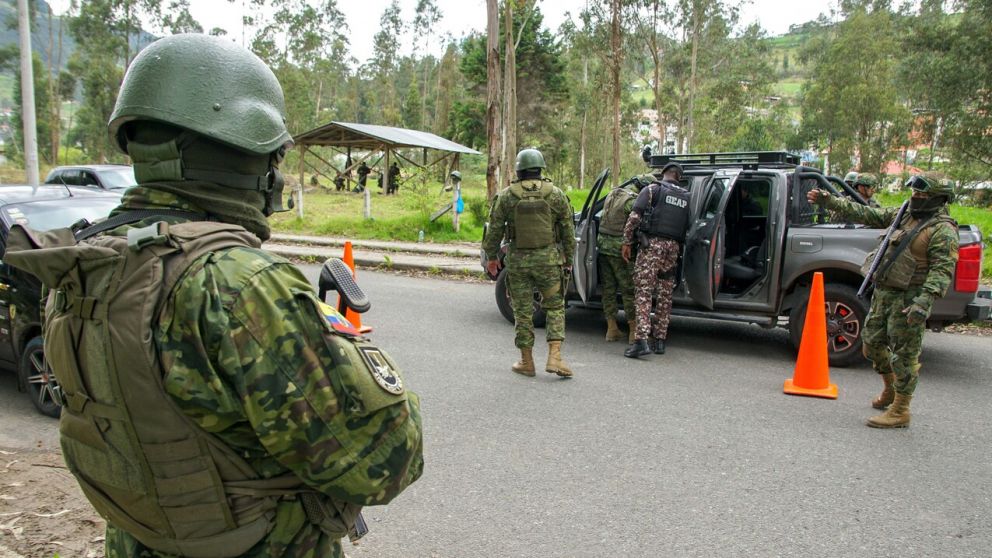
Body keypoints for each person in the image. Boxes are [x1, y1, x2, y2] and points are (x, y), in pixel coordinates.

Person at [4, 34, 423, 557]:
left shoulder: (87, 263)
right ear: (251, 157)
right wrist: (350, 354)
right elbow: (386, 462)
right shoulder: (242, 285)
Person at [807, 172, 958, 428]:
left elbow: (942, 271)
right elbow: (865, 214)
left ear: (938, 198)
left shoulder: (942, 231)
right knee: (871, 344)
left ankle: (901, 409)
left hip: (909, 299)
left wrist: (923, 302)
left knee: (904, 356)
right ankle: (890, 389)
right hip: (885, 293)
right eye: (914, 193)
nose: (915, 197)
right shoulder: (905, 215)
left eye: (922, 194)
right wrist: (828, 200)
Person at [482, 147, 576, 378]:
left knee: (523, 312)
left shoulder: (506, 196)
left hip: (518, 263)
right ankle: (555, 357)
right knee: (554, 307)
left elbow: (494, 230)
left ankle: (527, 362)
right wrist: (569, 260)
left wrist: (492, 258)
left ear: (519, 170)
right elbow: (567, 230)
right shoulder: (556, 194)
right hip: (548, 262)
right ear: (540, 169)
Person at [622, 162, 691, 358]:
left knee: (643, 291)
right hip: (673, 249)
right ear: (679, 176)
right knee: (664, 294)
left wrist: (627, 241)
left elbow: (634, 217)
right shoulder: (686, 197)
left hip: (651, 246)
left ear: (663, 174)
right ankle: (659, 340)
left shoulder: (653, 189)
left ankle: (641, 341)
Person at [597, 176, 645, 343]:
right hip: (620, 250)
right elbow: (638, 223)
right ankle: (633, 332)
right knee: (628, 289)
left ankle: (611, 329)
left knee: (608, 289)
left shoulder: (613, 194)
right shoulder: (632, 202)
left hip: (603, 247)